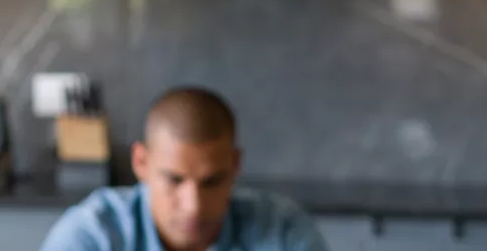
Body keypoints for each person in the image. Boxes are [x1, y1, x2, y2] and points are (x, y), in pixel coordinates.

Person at [41, 87, 328, 251]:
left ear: (235, 165)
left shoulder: (283, 232)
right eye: (174, 180)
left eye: (212, 181)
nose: (193, 207)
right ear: (141, 162)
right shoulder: (92, 235)